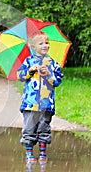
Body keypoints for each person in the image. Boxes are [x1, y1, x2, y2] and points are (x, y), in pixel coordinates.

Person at [17, 33, 63, 164]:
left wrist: (49, 74)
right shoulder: (28, 62)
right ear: (33, 47)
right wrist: (30, 71)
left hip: (46, 103)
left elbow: (57, 81)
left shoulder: (53, 63)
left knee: (44, 128)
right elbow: (20, 76)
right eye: (41, 43)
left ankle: (43, 153)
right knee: (29, 128)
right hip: (30, 104)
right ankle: (29, 153)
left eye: (47, 42)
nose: (45, 45)